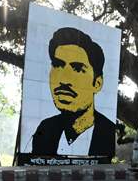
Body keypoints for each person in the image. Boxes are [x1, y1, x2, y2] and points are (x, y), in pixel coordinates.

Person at [31, 27, 115, 158]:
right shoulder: (45, 129)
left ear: (97, 83)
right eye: (58, 65)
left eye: (78, 69)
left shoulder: (109, 132)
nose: (64, 80)